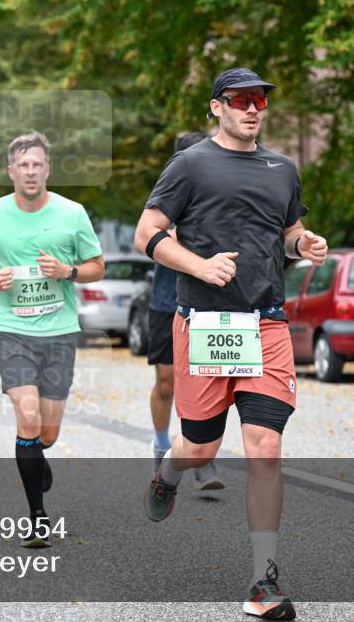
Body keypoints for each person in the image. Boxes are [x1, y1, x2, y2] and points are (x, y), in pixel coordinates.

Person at [134, 67, 328, 620]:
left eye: (262, 99)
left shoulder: (283, 168)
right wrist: (199, 264)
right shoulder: (190, 165)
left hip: (265, 325)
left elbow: (285, 232)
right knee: (200, 448)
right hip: (205, 324)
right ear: (217, 106)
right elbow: (148, 232)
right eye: (242, 99)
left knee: (265, 446)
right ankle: (169, 474)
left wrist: (302, 242)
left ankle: (262, 583)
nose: (254, 108)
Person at [0, 131, 105, 549]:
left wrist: (69, 272)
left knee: (46, 434)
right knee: (27, 417)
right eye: (22, 165)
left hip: (60, 332)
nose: (30, 171)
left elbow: (97, 266)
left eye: (37, 164)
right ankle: (37, 517)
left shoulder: (72, 213)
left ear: (47, 169)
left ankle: (38, 454)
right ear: (11, 171)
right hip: (11, 329)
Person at [146, 131, 224, 492]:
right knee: (166, 384)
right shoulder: (166, 198)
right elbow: (157, 237)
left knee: (204, 384)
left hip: (205, 308)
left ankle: (201, 459)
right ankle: (162, 444)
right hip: (166, 304)